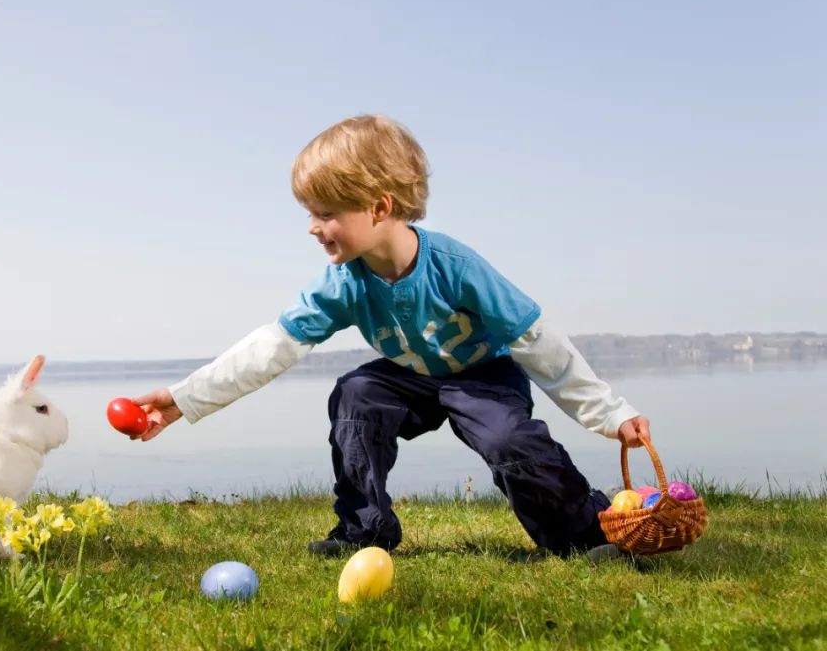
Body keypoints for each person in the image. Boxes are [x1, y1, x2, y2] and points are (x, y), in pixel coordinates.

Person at [131, 114, 650, 559]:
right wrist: (183, 400)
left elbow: (538, 342)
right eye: (310, 212)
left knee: (506, 439)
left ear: (379, 208)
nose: (313, 227)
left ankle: (583, 532)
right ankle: (364, 530)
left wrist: (610, 413)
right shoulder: (344, 281)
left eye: (326, 213)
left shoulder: (456, 267)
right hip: (408, 377)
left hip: (483, 377)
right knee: (357, 394)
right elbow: (273, 346)